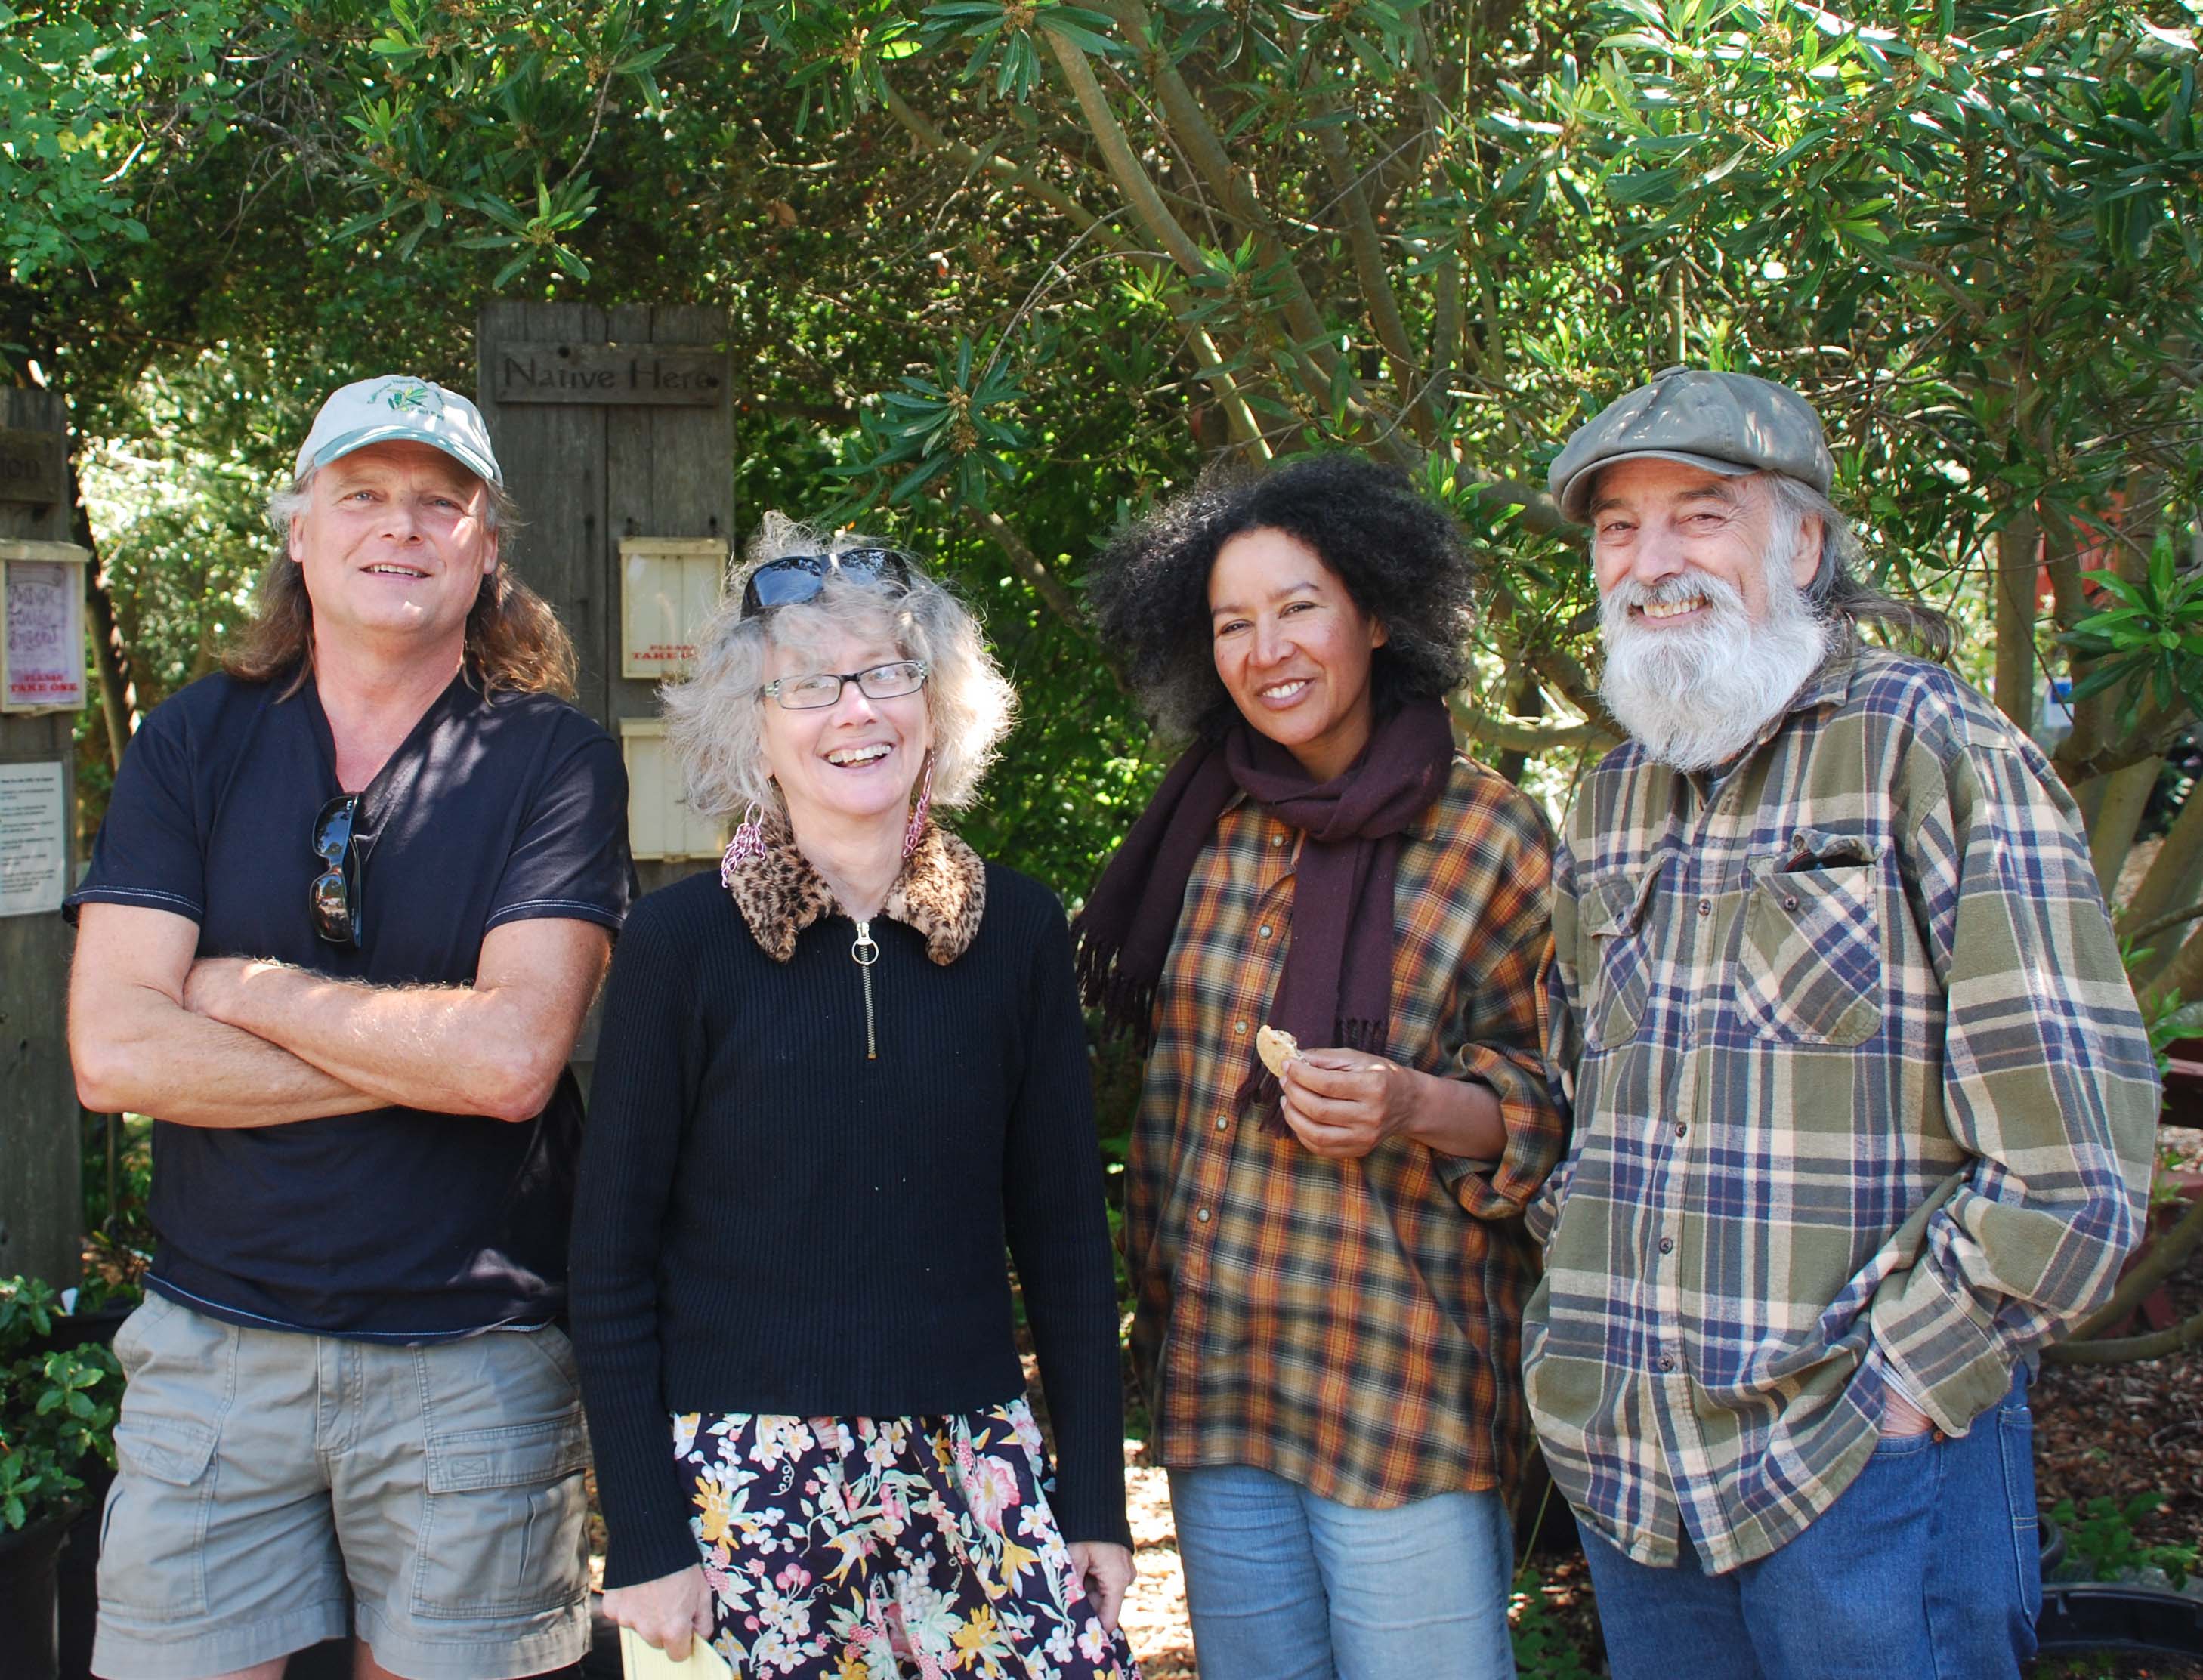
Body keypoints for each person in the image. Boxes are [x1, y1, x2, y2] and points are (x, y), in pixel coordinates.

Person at [1528, 367, 2161, 1679]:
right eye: (1619, 529)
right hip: (1632, 1465)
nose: (1652, 562)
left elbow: (2074, 1157)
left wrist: (1905, 1392)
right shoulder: (1608, 800)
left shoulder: (1930, 747)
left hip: (1858, 1470)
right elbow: (1587, 1108)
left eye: (1701, 516)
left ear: (1804, 544)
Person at [65, 374, 633, 1680]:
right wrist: (432, 1057)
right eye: (363, 493)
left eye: (442, 503)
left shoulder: (554, 760)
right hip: (213, 1349)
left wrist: (242, 989)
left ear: (486, 550)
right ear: (300, 529)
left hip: (471, 1359)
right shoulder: (191, 742)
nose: (401, 527)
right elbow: (114, 1053)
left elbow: (513, 1063)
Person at [569, 520, 1140, 1680]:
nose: (855, 711)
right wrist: (644, 1532)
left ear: (938, 703)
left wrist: (1096, 1502)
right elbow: (609, 1260)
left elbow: (1069, 1244)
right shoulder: (678, 945)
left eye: (887, 673)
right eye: (809, 685)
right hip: (744, 1491)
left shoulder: (1021, 930)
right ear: (754, 727)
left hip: (975, 1472)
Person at [1075, 455, 1563, 1680]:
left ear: (1378, 614)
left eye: (1299, 607)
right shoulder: (1204, 826)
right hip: (1220, 1381)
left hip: (1403, 1388)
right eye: (1231, 623)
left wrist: (1414, 1104)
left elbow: (1561, 1111)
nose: (1266, 650)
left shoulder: (1489, 833)